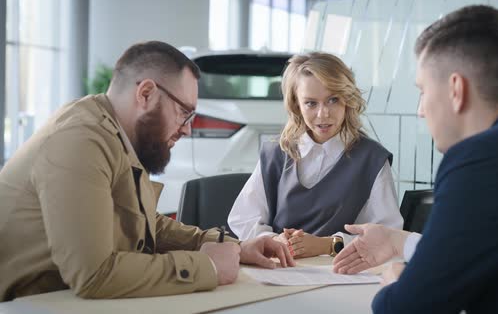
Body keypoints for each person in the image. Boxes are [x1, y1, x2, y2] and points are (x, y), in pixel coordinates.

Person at [334, 5, 498, 313]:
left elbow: (407, 308)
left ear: (456, 89)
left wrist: (396, 281)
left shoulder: (481, 160)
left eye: (423, 90)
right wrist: (396, 240)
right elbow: (485, 248)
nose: (421, 110)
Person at [0, 41, 294, 302]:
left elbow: (145, 222)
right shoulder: (80, 141)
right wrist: (208, 267)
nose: (188, 129)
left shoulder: (114, 133)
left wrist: (235, 247)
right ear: (146, 93)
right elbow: (94, 275)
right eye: (184, 112)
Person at [227, 52, 403, 258]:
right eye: (311, 103)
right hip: (279, 269)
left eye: (333, 100)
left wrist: (328, 245)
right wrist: (274, 241)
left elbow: (388, 234)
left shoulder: (372, 159)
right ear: (296, 105)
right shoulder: (276, 153)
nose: (323, 114)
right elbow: (243, 218)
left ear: (347, 100)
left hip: (341, 275)